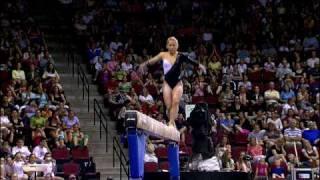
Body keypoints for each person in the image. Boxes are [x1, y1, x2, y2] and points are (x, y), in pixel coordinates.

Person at [139, 36, 206, 127]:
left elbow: (191, 61)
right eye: (170, 45)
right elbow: (153, 60)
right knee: (169, 106)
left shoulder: (181, 55)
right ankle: (172, 121)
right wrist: (144, 64)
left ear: (177, 46)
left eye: (174, 45)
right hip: (167, 83)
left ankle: (171, 122)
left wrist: (200, 65)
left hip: (177, 83)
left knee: (175, 101)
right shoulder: (163, 55)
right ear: (167, 46)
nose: (172, 47)